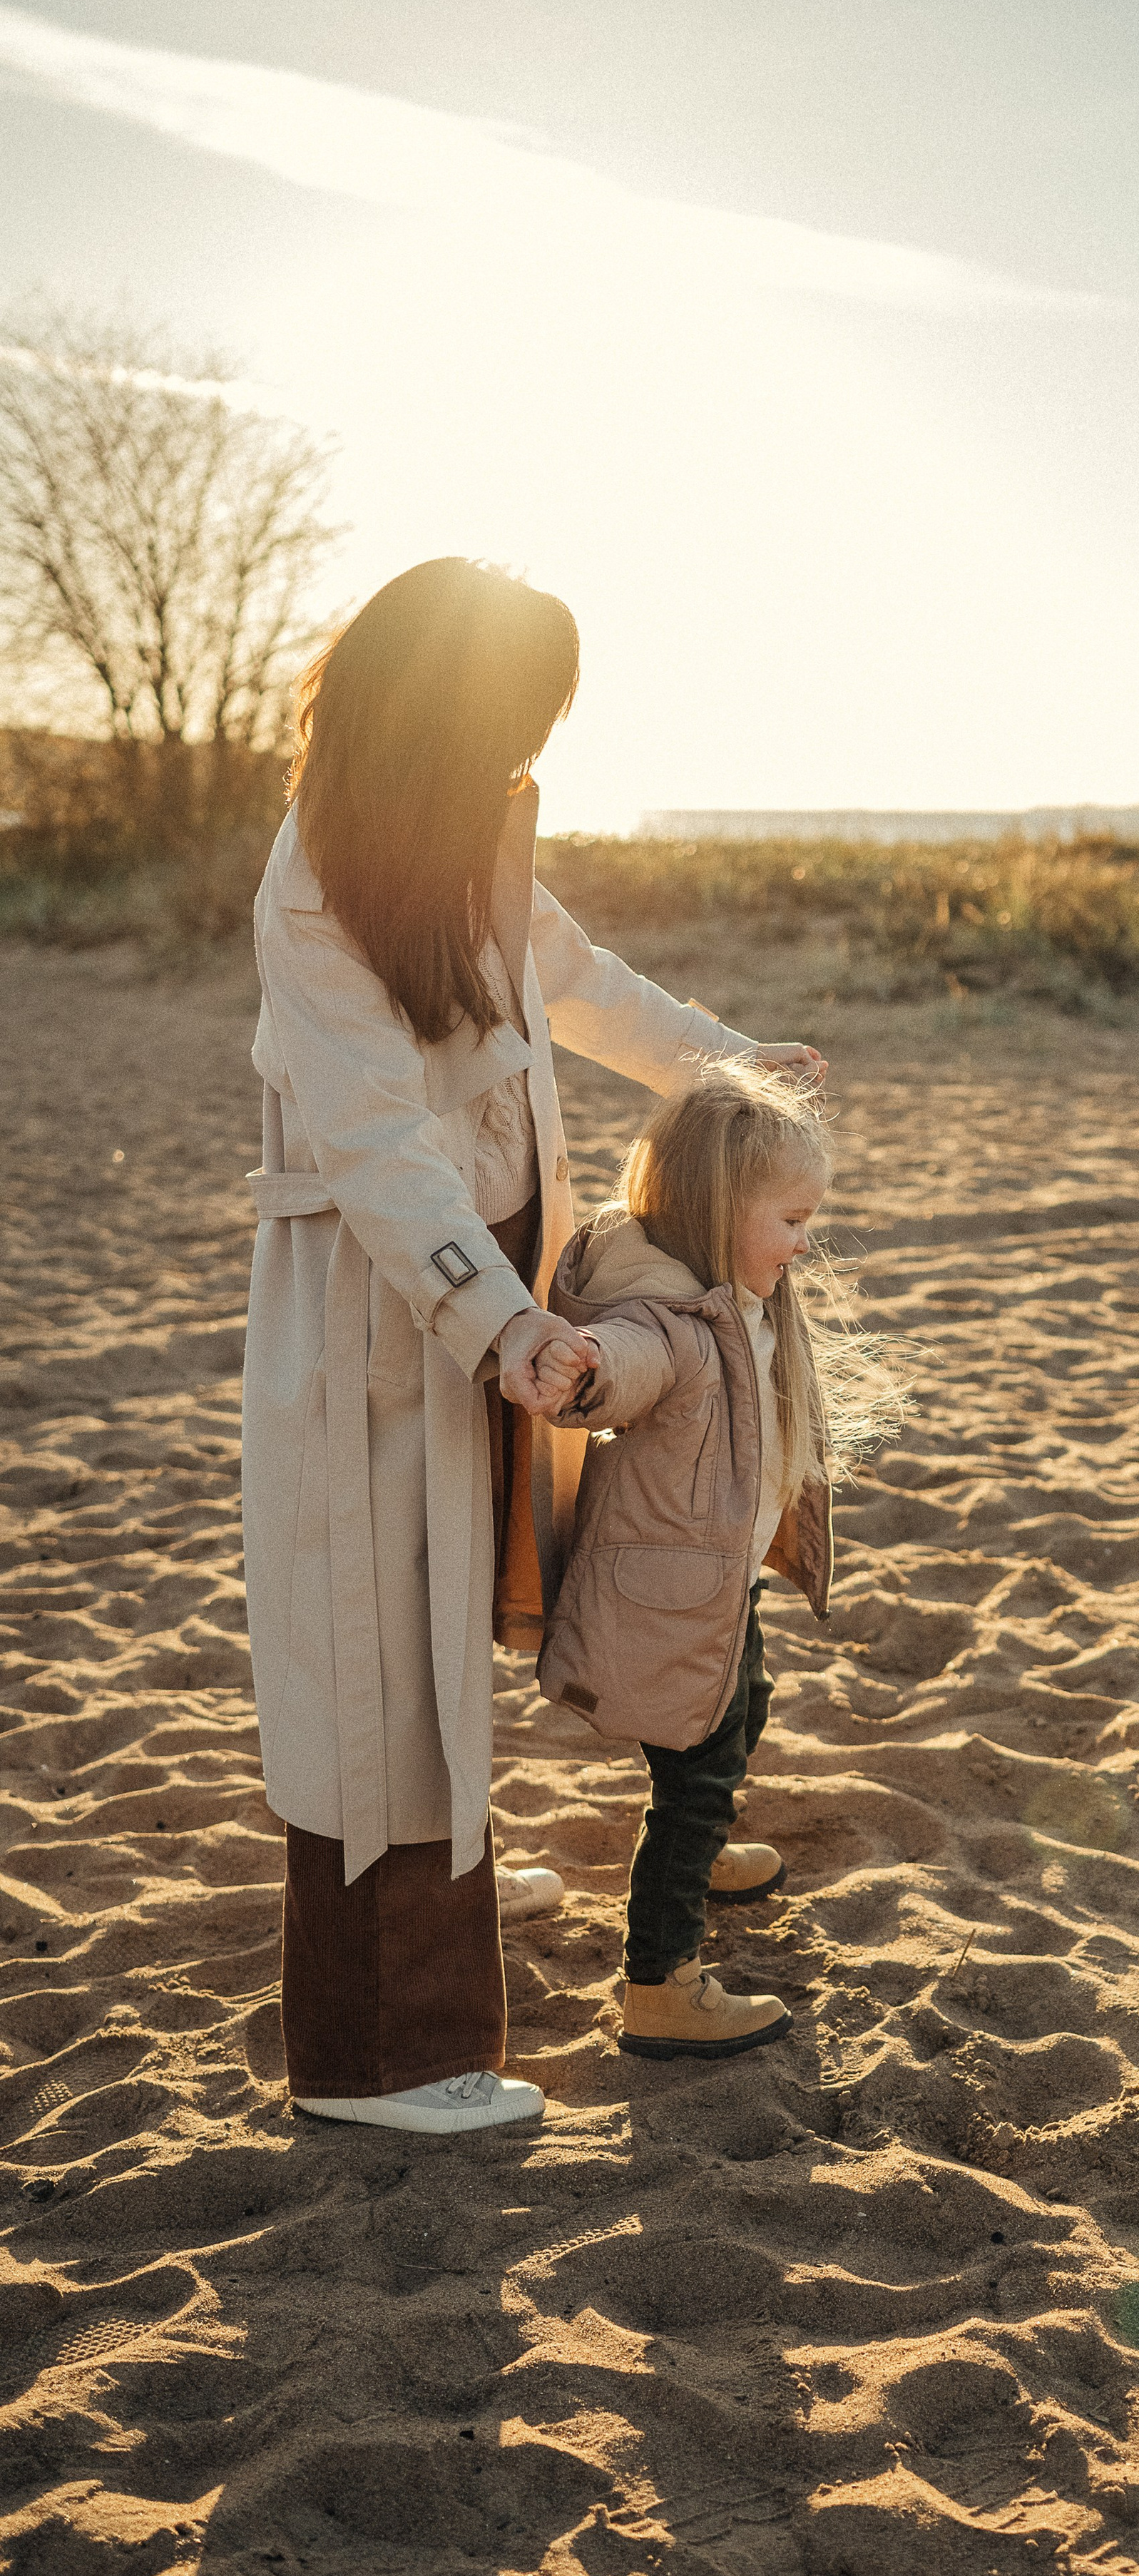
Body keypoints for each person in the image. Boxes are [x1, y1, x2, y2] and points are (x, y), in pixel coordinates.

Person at [242, 557, 821, 2136]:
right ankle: (384, 2058)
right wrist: (497, 1321)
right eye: (505, 715)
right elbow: (375, 1143)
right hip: (394, 1304)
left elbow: (577, 986)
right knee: (382, 1668)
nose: (523, 748)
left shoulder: (471, 842)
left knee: (549, 1588)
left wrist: (725, 1060)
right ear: (425, 717)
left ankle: (694, 1813)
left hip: (509, 1294)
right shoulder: (316, 877)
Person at [533, 1061, 903, 2059]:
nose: (805, 1239)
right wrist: (586, 1373)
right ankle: (659, 1987)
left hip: (715, 1590)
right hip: (670, 1601)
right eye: (789, 1218)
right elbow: (625, 1361)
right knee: (693, 1780)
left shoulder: (740, 1297)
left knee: (742, 1717)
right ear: (714, 1208)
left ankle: (697, 1861)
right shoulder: (672, 1324)